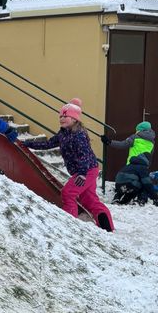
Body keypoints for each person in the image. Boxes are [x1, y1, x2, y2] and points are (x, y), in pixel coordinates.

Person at [24, 99, 115, 231]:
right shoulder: (63, 134)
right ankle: (107, 227)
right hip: (86, 170)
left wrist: (83, 174)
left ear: (74, 119)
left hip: (86, 170)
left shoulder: (78, 135)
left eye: (66, 116)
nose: (62, 118)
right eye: (61, 116)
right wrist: (29, 144)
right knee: (88, 200)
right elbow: (48, 144)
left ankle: (69, 225)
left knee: (68, 193)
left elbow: (84, 154)